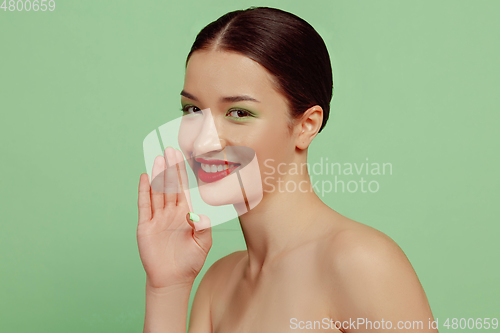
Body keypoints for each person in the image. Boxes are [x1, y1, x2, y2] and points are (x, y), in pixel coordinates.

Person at [137, 6, 437, 333]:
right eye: (193, 109)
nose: (203, 142)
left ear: (306, 126)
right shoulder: (217, 284)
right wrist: (166, 287)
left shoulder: (361, 262)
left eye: (239, 112)